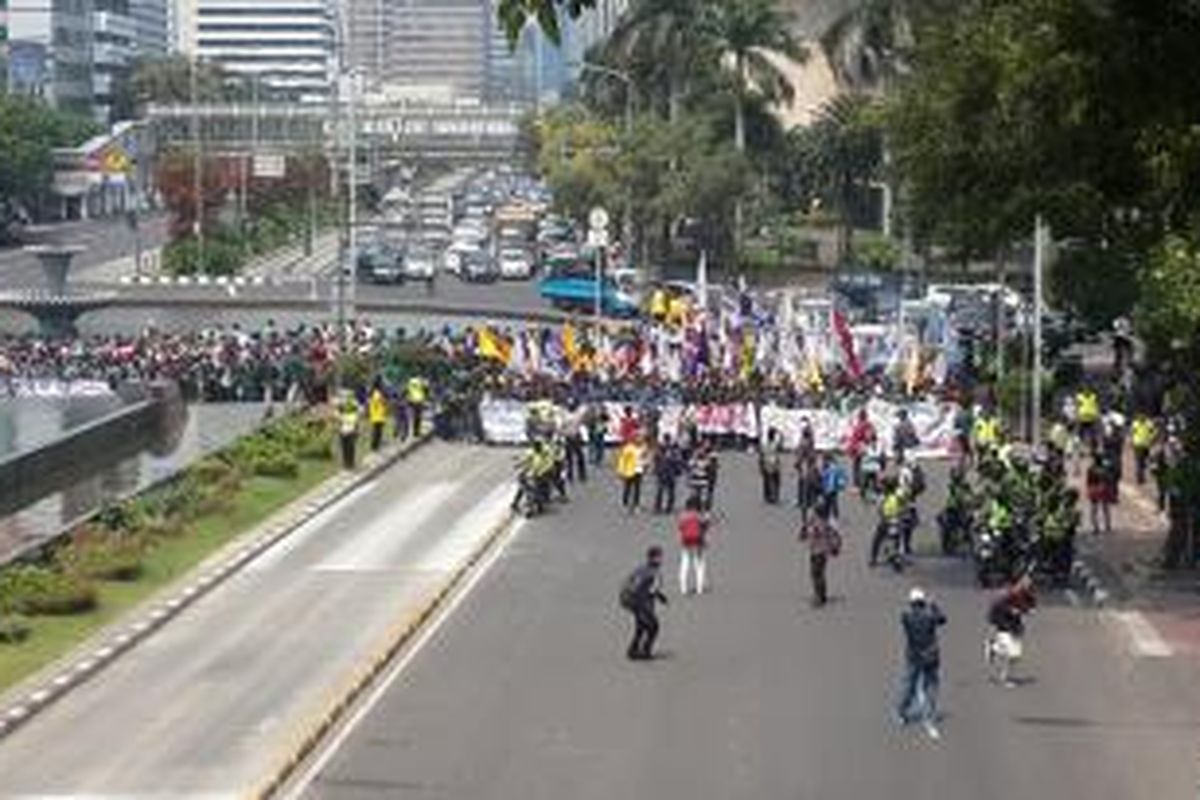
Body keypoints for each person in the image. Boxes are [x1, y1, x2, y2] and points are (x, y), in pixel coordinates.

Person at [896, 587, 947, 738]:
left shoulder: (905, 616)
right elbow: (942, 619)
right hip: (931, 655)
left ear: (911, 603)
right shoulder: (930, 616)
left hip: (913, 655)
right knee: (931, 686)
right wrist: (934, 605)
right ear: (923, 602)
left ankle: (902, 712)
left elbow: (908, 616)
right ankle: (929, 716)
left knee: (909, 685)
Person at [986, 576, 1037, 686]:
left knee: (1016, 655)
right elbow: (994, 610)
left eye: (1029, 585)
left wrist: (1029, 610)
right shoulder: (1006, 596)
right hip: (1004, 626)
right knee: (1011, 653)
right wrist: (1010, 611)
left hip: (1016, 627)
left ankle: (994, 648)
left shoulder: (1027, 595)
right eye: (1025, 584)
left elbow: (1031, 606)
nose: (1028, 587)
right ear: (1019, 583)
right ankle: (1005, 678)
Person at [620, 546, 668, 660]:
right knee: (654, 627)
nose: (661, 559)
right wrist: (659, 596)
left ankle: (632, 651)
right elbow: (652, 590)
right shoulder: (655, 572)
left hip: (631, 601)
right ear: (653, 558)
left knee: (640, 627)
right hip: (642, 603)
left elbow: (630, 583)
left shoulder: (640, 568)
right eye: (659, 557)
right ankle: (645, 651)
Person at [799, 500, 841, 607]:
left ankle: (819, 597)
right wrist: (804, 531)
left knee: (817, 573)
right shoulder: (815, 520)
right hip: (815, 550)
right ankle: (821, 594)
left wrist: (834, 548)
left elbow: (831, 535)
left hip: (820, 551)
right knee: (816, 573)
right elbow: (805, 531)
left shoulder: (824, 523)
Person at [677, 497, 709, 595]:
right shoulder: (700, 516)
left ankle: (683, 587)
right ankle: (699, 588)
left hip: (686, 541)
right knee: (699, 563)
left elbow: (680, 528)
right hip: (698, 541)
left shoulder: (683, 516)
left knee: (685, 562)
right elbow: (705, 527)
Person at [653, 434, 683, 514]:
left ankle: (665, 507)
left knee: (666, 491)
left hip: (667, 473)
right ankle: (661, 507)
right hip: (666, 473)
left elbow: (678, 461)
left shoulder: (672, 450)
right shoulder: (663, 450)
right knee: (663, 491)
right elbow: (656, 460)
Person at [1086, 455, 1114, 534]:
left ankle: (1095, 527)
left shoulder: (1091, 469)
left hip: (1093, 489)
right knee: (1105, 508)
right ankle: (1107, 525)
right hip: (1103, 488)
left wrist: (1088, 489)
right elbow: (1109, 479)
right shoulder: (1105, 469)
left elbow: (1088, 481)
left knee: (1094, 509)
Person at [616, 437, 645, 512]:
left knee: (637, 489)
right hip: (629, 471)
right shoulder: (628, 448)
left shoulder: (643, 447)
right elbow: (622, 460)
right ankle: (625, 503)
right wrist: (621, 471)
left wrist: (645, 464)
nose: (640, 440)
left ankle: (636, 504)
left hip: (639, 470)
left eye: (640, 439)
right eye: (638, 439)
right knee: (627, 488)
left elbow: (643, 458)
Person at [1130, 411, 1156, 486]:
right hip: (1138, 444)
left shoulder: (1148, 423)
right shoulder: (1135, 423)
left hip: (1146, 444)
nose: (1141, 417)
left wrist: (1151, 438)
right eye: (1139, 416)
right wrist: (1132, 441)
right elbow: (1132, 433)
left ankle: (1142, 475)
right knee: (1139, 461)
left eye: (1142, 416)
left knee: (1144, 461)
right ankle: (1139, 477)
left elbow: (1153, 431)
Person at [820, 452, 848, 520]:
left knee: (829, 504)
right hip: (832, 489)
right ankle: (834, 516)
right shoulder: (834, 467)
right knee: (833, 503)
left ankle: (829, 517)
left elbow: (825, 477)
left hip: (828, 488)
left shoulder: (830, 468)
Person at [759, 428, 784, 504]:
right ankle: (775, 496)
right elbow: (781, 442)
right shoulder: (775, 444)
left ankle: (767, 496)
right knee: (776, 481)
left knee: (767, 481)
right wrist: (780, 433)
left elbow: (761, 456)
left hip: (766, 464)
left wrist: (761, 466)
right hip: (774, 464)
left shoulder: (764, 445)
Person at [337, 393, 359, 469]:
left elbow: (356, 418)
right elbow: (338, 418)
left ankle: (349, 463)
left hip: (349, 429)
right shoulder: (343, 406)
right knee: (347, 447)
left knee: (348, 447)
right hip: (346, 429)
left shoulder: (353, 406)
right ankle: (347, 463)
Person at [367, 383, 389, 452]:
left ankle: (375, 446)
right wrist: (384, 399)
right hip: (378, 415)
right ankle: (375, 446)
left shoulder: (372, 394)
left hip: (376, 415)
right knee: (377, 431)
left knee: (377, 431)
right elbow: (383, 402)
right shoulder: (377, 394)